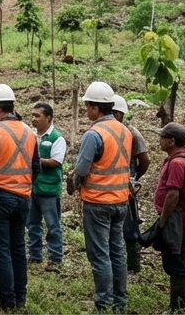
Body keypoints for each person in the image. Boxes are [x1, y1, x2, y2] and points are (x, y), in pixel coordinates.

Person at [0, 83, 39, 312]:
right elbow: (36, 166)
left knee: (1, 249)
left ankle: (7, 300)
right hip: (23, 198)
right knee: (18, 247)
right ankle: (20, 298)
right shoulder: (29, 131)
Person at [70, 81, 131, 313]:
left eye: (87, 106)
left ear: (96, 108)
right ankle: (120, 302)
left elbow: (82, 170)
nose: (86, 110)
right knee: (117, 251)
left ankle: (103, 304)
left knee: (100, 255)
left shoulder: (94, 134)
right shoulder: (125, 131)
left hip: (98, 203)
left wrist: (73, 182)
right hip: (120, 201)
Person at [151, 122, 185, 311]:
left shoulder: (178, 162)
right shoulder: (183, 157)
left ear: (171, 141)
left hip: (176, 219)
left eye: (162, 137)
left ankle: (177, 305)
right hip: (180, 217)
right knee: (183, 255)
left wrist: (163, 220)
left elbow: (173, 194)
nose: (159, 140)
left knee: (176, 258)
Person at [112, 95, 152, 274]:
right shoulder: (103, 131)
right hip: (108, 185)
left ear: (119, 114)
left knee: (130, 225)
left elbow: (144, 160)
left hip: (127, 185)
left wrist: (134, 178)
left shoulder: (131, 133)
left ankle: (133, 266)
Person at [27, 101, 66, 272]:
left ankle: (55, 258)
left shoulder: (57, 138)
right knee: (32, 223)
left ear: (48, 118)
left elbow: (56, 161)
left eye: (37, 116)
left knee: (52, 225)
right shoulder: (31, 135)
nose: (33, 119)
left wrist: (35, 160)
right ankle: (35, 255)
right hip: (32, 187)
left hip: (49, 190)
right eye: (32, 115)